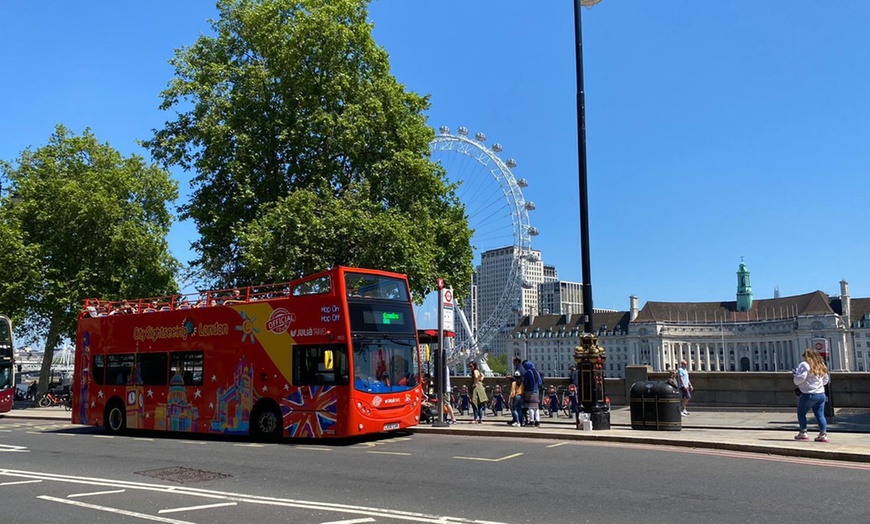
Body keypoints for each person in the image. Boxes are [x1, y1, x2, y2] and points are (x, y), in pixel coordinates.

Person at [793, 349, 830, 443]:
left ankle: (803, 432)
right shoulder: (821, 364)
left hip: (808, 393)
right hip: (821, 394)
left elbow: (801, 378)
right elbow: (826, 380)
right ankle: (823, 435)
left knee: (801, 413)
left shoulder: (805, 364)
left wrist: (795, 377)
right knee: (820, 415)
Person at [522, 360, 542, 427]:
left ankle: (531, 421)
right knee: (536, 407)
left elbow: (526, 382)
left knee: (530, 406)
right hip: (537, 391)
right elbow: (540, 382)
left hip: (530, 391)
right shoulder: (536, 372)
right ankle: (538, 421)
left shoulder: (528, 372)